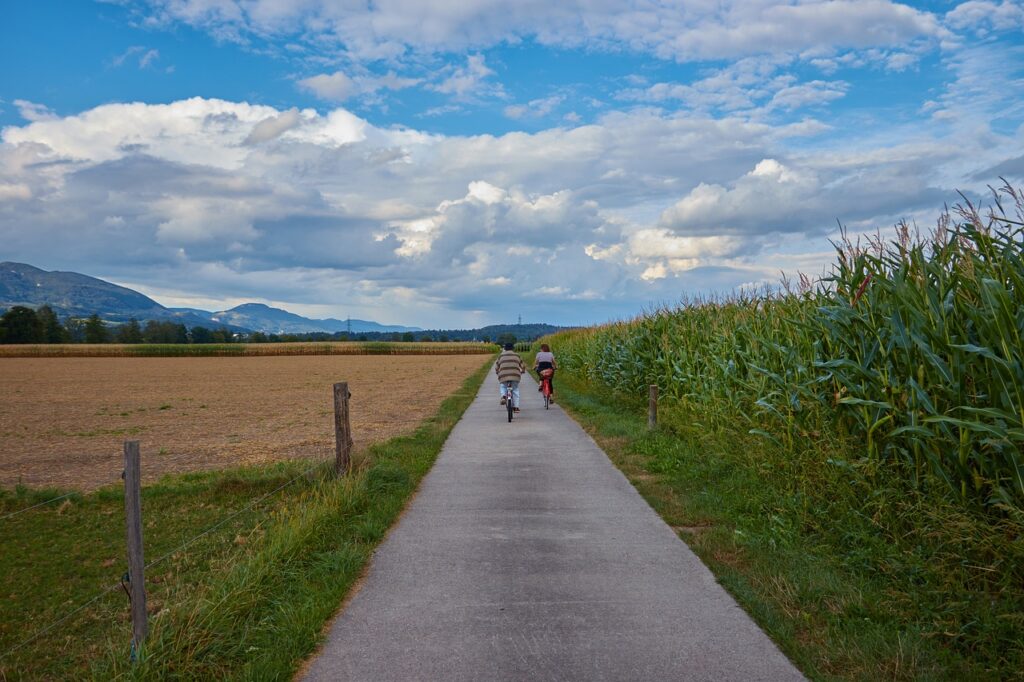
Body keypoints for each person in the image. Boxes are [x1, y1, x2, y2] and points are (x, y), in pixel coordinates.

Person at [495, 343, 526, 413]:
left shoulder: (501, 356)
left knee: (503, 386)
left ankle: (503, 396)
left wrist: (497, 372)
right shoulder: (517, 355)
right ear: (513, 348)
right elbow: (522, 366)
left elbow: (497, 367)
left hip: (503, 375)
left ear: (505, 348)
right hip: (515, 375)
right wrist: (523, 371)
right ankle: (516, 407)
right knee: (515, 390)